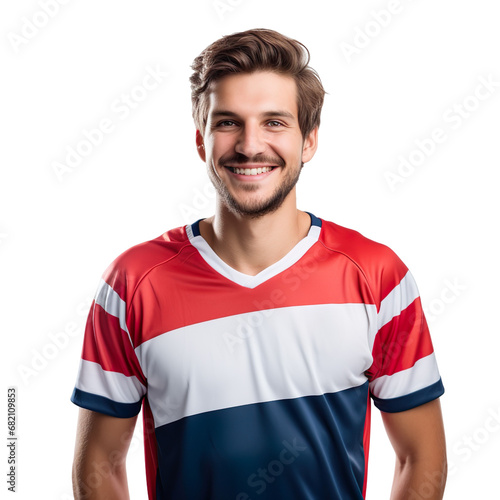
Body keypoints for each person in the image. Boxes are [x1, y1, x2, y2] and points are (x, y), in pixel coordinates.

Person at [71, 28, 447, 499]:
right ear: (201, 141)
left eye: (274, 122)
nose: (250, 145)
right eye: (228, 122)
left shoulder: (377, 275)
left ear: (308, 141)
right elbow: (99, 466)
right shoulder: (132, 283)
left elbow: (422, 458)